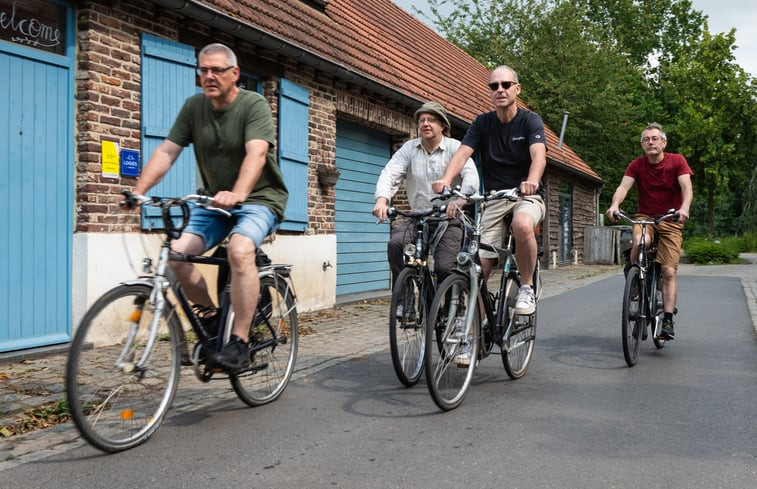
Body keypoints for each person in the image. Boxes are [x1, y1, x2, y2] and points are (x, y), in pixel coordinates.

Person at [130, 43, 288, 370]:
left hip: (259, 200)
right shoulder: (194, 107)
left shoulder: (254, 104)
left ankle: (240, 342)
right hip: (213, 202)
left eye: (217, 70)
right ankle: (214, 319)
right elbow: (167, 152)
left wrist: (239, 193)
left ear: (235, 74)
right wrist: (138, 191)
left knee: (240, 250)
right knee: (176, 254)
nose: (209, 76)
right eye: (203, 70)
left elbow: (256, 154)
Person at [432, 66, 547, 318]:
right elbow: (462, 153)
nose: (500, 90)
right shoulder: (482, 123)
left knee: (522, 224)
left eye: (506, 84)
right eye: (494, 86)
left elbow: (539, 155)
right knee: (478, 269)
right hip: (494, 198)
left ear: (517, 88)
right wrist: (446, 179)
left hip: (525, 195)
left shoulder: (530, 120)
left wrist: (532, 180)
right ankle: (475, 335)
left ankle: (527, 286)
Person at [373, 101, 479, 297]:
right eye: (422, 120)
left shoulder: (455, 148)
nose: (426, 123)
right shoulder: (409, 149)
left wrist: (459, 201)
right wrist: (382, 200)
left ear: (443, 126)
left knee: (444, 266)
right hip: (418, 217)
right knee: (395, 244)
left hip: (449, 219)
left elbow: (471, 178)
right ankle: (405, 300)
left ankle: (449, 310)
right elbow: (390, 173)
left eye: (431, 120)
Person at [606, 122, 693, 340]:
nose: (650, 142)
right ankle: (635, 272)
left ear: (664, 142)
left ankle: (668, 320)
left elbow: (686, 188)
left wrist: (684, 208)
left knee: (668, 271)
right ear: (642, 145)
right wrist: (615, 205)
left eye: (655, 138)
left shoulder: (677, 161)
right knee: (640, 242)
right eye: (646, 139)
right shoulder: (637, 165)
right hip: (645, 217)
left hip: (671, 218)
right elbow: (623, 187)